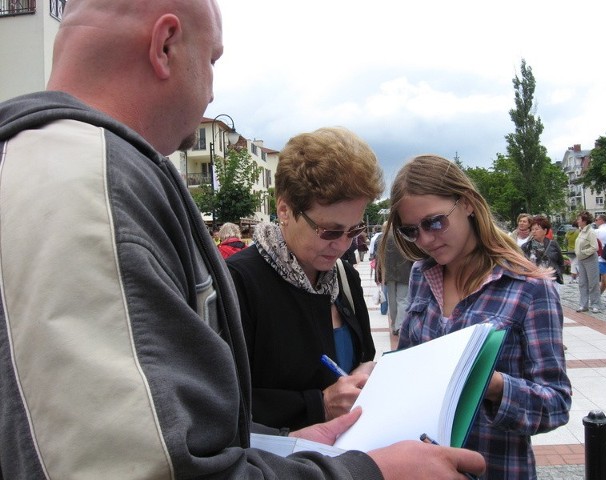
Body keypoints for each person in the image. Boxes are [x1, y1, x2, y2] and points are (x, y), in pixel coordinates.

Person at [0, 2, 486, 479]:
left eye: (351, 232)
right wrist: (366, 470)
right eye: (212, 60)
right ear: (165, 44)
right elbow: (156, 464)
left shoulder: (50, 165)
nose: (212, 92)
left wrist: (263, 445)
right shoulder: (95, 186)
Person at [387, 154, 571, 479]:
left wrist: (493, 384)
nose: (426, 239)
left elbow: (555, 404)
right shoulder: (421, 275)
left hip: (495, 468)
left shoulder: (529, 289)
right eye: (411, 231)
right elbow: (409, 368)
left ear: (468, 203)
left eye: (434, 222)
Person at [226, 127, 378, 431]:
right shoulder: (239, 282)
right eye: (330, 231)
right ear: (284, 209)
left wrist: (367, 374)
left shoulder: (344, 276)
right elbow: (223, 403)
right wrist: (318, 405)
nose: (344, 245)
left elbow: (364, 356)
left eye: (355, 230)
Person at [378, 233, 412, 336]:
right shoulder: (406, 236)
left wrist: (379, 275)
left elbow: (379, 257)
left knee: (391, 301)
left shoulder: (384, 237)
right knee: (402, 300)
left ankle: (394, 324)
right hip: (405, 272)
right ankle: (399, 326)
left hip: (389, 273)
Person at [521, 215, 565, 294]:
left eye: (537, 229)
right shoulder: (526, 246)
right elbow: (521, 264)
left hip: (551, 281)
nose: (534, 231)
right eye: (532, 229)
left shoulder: (553, 244)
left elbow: (560, 262)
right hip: (533, 282)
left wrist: (557, 273)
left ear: (545, 231)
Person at [575, 211, 602, 313]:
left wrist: (583, 252)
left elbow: (595, 247)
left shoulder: (590, 232)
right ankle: (583, 304)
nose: (577, 221)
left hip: (590, 259)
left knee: (593, 283)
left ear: (584, 221)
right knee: (582, 283)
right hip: (581, 259)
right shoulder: (581, 231)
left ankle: (595, 304)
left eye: (579, 219)